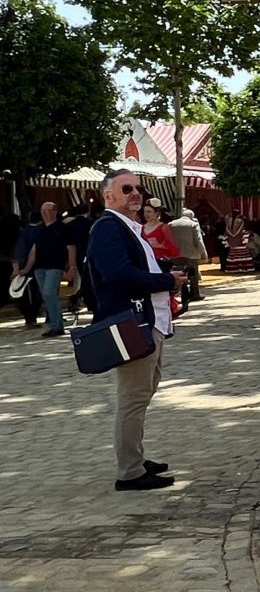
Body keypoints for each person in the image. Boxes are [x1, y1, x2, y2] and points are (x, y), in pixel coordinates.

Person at [87, 169, 185, 492]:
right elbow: (117, 275)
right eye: (126, 188)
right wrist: (166, 281)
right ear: (109, 196)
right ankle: (129, 471)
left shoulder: (130, 228)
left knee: (142, 394)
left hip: (150, 321)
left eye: (138, 188)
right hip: (132, 324)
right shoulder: (107, 228)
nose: (135, 193)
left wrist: (165, 273)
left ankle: (136, 458)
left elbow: (137, 269)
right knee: (132, 398)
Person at [22, 199, 76, 337]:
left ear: (55, 211)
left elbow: (70, 247)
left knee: (48, 293)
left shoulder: (62, 228)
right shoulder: (39, 229)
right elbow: (34, 250)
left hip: (55, 266)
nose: (45, 214)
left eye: (48, 211)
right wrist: (27, 269)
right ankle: (56, 325)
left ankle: (56, 325)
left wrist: (72, 267)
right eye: (43, 211)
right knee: (48, 296)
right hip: (39, 267)